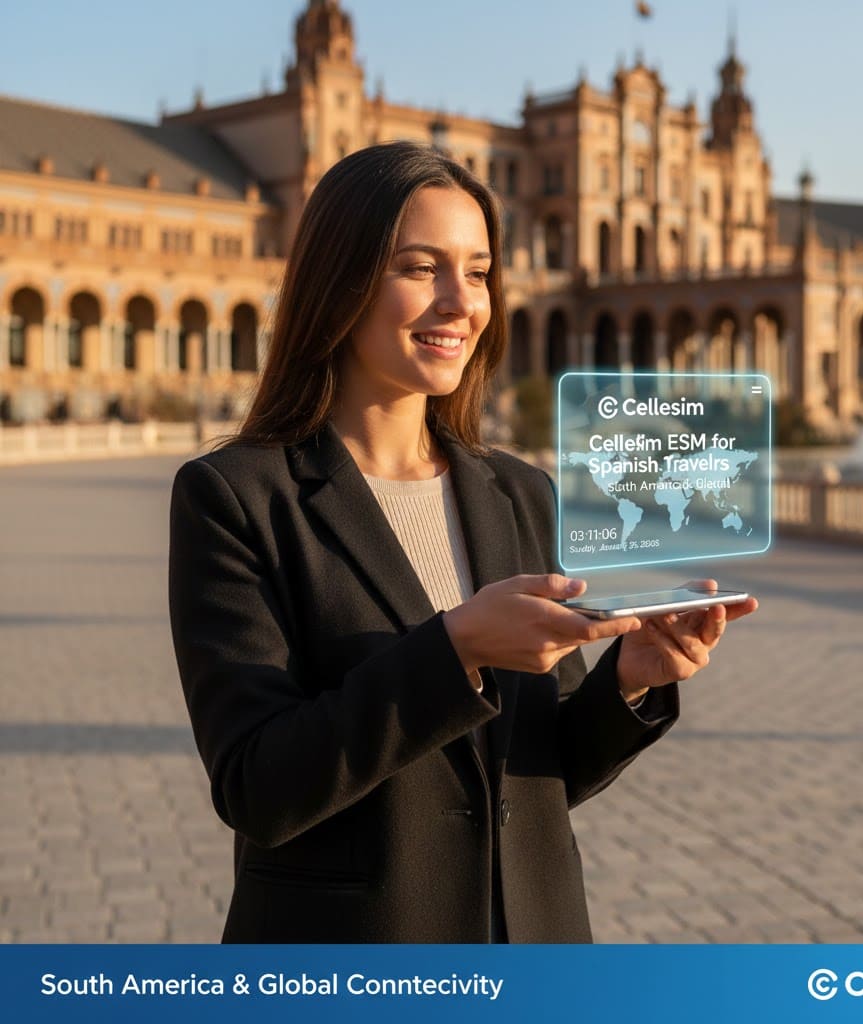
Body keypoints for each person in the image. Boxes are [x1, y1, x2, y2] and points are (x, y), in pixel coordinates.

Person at [167, 141, 757, 943]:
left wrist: (630, 680)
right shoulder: (237, 498)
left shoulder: (517, 492)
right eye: (421, 268)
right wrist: (455, 648)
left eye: (478, 272)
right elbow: (259, 787)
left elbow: (537, 777)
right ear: (339, 279)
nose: (461, 302)